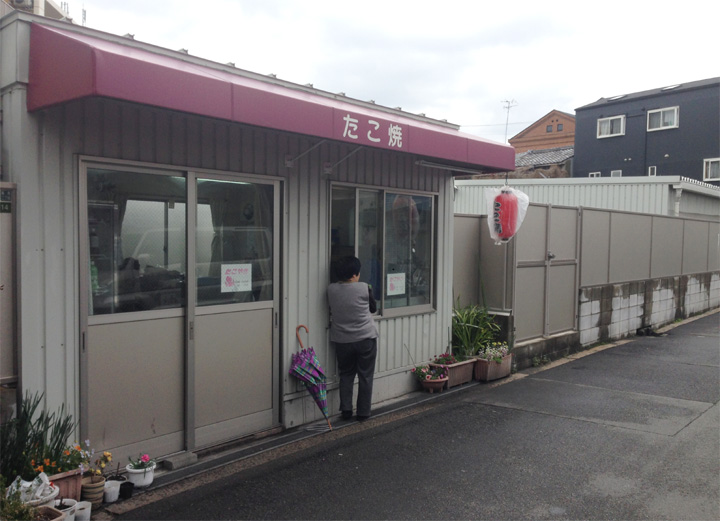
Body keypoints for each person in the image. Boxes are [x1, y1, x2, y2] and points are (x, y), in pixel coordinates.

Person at [327, 256, 378, 421]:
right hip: (365, 338)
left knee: (346, 374)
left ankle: (346, 410)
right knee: (365, 375)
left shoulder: (331, 289)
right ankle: (363, 413)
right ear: (355, 274)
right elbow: (373, 308)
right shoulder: (364, 288)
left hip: (342, 340)